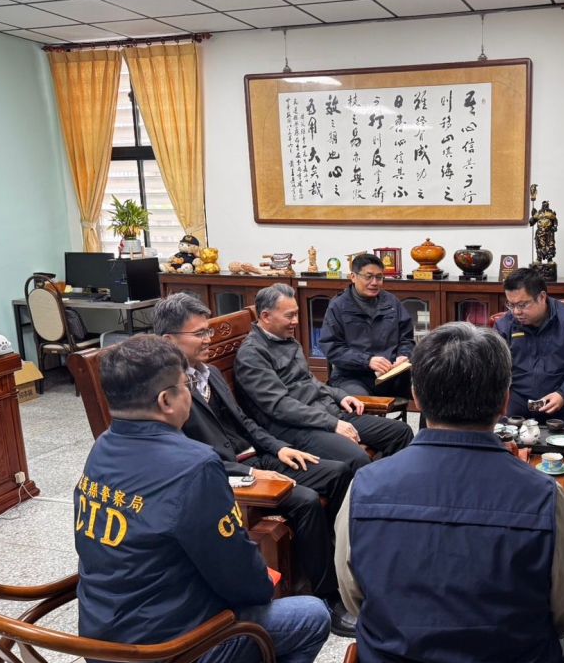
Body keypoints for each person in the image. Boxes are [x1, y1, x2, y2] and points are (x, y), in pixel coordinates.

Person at [334, 321, 564, 663]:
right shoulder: (545, 497)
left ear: (416, 397)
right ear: (504, 400)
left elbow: (354, 601)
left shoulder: (364, 488)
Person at [74, 335, 330, 663]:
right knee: (312, 616)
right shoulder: (193, 466)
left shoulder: (103, 447)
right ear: (166, 400)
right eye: (185, 387)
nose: (190, 396)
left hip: (102, 645)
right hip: (161, 662)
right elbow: (245, 583)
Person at [152, 293, 356, 637]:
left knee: (337, 473)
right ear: (169, 340)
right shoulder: (167, 392)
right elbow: (185, 457)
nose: (208, 340)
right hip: (226, 474)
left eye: (208, 331)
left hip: (254, 456)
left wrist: (280, 448)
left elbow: (244, 422)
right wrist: (248, 472)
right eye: (199, 334)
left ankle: (334, 561)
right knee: (305, 499)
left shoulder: (208, 373)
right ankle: (327, 595)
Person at [235, 284, 414, 474]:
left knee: (401, 432)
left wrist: (340, 396)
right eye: (290, 316)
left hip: (325, 413)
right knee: (358, 458)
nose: (296, 321)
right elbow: (280, 407)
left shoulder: (286, 339)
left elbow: (309, 381)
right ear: (265, 316)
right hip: (297, 427)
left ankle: (393, 487)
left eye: (296, 314)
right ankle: (374, 490)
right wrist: (332, 423)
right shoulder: (252, 354)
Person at [494, 268, 564, 433]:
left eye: (522, 305)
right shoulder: (505, 325)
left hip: (563, 397)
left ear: (542, 297)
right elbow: (492, 366)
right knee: (491, 426)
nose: (516, 312)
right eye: (511, 305)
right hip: (518, 397)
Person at [318, 252, 415, 399]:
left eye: (379, 277)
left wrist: (404, 355)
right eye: (368, 277)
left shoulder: (391, 302)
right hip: (352, 376)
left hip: (391, 373)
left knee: (432, 387)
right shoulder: (338, 306)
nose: (374, 282)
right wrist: (367, 361)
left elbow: (406, 339)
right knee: (361, 403)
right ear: (353, 277)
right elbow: (332, 348)